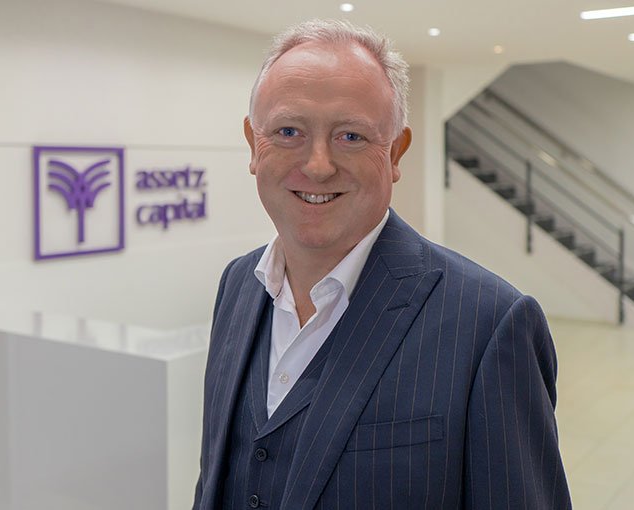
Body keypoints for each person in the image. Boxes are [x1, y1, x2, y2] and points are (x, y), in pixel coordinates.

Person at [193, 19, 571, 510]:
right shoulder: (238, 284)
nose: (318, 165)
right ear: (253, 143)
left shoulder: (490, 324)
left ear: (395, 153)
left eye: (351, 136)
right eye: (288, 132)